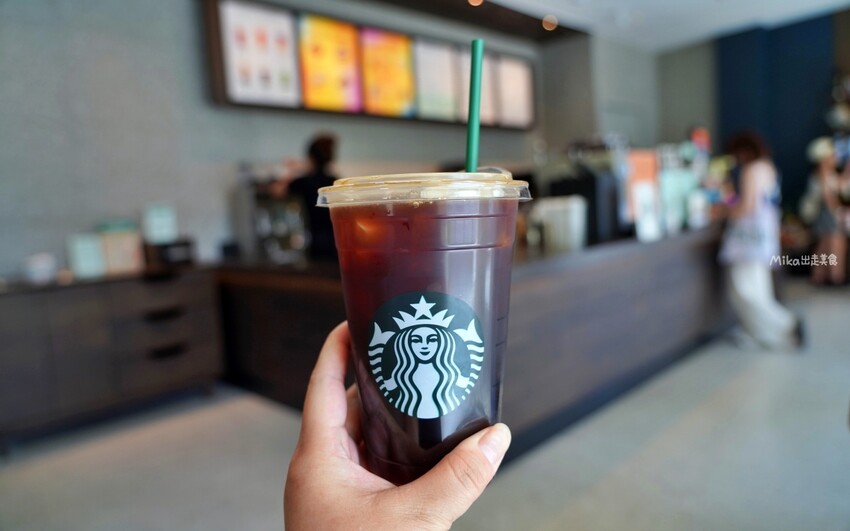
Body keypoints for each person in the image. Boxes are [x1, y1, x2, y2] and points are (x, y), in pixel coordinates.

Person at [284, 322, 511, 530]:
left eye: (432, 339)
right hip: (389, 454)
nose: (424, 346)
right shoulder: (400, 379)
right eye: (416, 340)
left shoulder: (452, 375)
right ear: (406, 345)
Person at [719, 131, 803, 349]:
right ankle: (765, 334)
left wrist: (722, 211)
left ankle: (786, 323)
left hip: (748, 238)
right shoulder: (768, 168)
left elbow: (747, 206)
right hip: (764, 236)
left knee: (744, 289)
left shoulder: (752, 170)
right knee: (758, 289)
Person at [288, 134, 339, 260]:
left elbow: (277, 191)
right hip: (336, 240)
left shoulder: (302, 182)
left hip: (313, 240)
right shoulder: (335, 182)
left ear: (311, 157)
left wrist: (295, 169)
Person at [804, 137, 847, 285]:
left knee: (824, 244)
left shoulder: (829, 172)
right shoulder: (822, 172)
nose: (835, 157)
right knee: (834, 242)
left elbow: (840, 185)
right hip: (827, 212)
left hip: (828, 212)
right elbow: (827, 196)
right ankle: (835, 276)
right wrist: (837, 211)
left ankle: (820, 276)